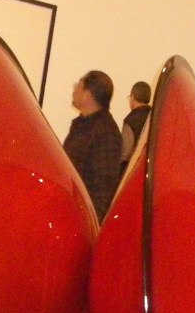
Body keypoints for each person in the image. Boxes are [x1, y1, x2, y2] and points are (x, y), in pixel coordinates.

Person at [63, 70, 122, 222]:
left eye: (78, 85)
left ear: (87, 95)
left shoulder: (106, 133)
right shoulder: (82, 125)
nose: (74, 89)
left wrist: (90, 224)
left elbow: (104, 188)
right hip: (71, 212)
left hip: (83, 220)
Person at [118, 81, 152, 175]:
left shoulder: (131, 121)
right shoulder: (154, 117)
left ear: (132, 97)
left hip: (133, 173)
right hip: (150, 170)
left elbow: (125, 153)